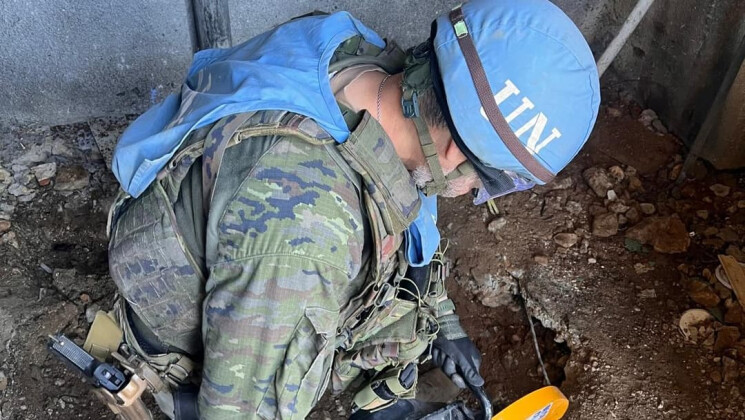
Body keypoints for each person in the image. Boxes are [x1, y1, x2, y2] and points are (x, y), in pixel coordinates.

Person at [95, 0, 600, 418]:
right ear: (451, 153)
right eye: (480, 182)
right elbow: (239, 408)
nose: (471, 194)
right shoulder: (309, 225)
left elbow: (412, 207)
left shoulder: (362, 57)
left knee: (394, 309)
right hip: (201, 335)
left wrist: (444, 322)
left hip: (249, 246)